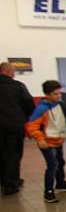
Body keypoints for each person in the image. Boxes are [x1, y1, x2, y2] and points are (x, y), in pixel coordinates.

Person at [25, 81, 66, 203]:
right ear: (47, 95)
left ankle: (61, 183)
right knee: (52, 165)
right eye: (55, 94)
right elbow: (32, 126)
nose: (58, 96)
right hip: (47, 143)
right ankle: (48, 192)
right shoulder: (41, 109)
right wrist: (40, 138)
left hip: (58, 140)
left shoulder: (61, 104)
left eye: (59, 94)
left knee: (60, 162)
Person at [0, 62, 35, 195]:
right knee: (14, 154)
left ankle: (3, 180)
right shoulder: (18, 86)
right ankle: (11, 183)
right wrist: (24, 118)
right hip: (15, 125)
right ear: (9, 72)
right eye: (13, 72)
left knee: (2, 153)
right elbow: (29, 104)